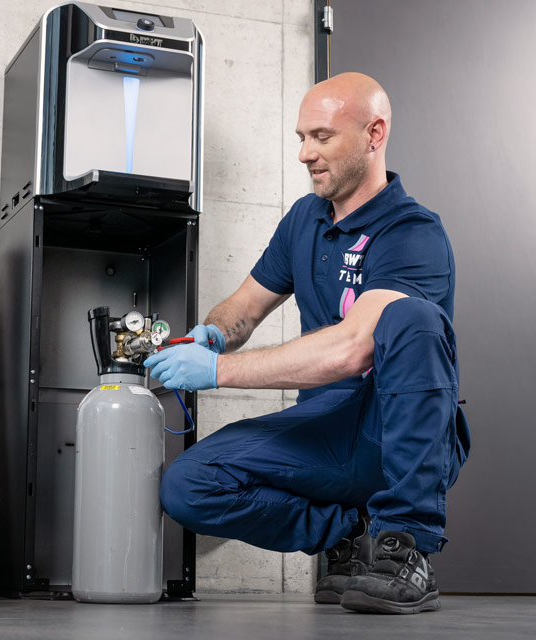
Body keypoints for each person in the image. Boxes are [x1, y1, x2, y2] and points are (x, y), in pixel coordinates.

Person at [144, 72, 470, 615]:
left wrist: (219, 371)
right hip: (321, 429)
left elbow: (351, 349)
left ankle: (404, 547)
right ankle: (349, 532)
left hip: (389, 434)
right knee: (188, 486)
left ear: (374, 133)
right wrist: (215, 333)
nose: (304, 154)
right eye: (300, 137)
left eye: (321, 137)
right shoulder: (305, 220)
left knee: (412, 319)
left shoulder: (413, 233)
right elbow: (244, 307)